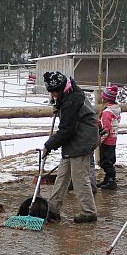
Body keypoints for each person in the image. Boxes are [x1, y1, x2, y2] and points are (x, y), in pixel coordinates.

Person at [43, 71, 99, 223]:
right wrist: (58, 106)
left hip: (82, 140)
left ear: (61, 88)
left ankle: (88, 212)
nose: (52, 95)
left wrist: (49, 145)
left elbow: (67, 130)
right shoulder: (69, 91)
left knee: (79, 177)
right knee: (63, 175)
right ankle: (53, 208)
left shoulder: (72, 101)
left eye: (54, 92)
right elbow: (66, 111)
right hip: (75, 139)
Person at [96, 84, 121, 190]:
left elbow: (106, 129)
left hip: (107, 140)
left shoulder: (107, 112)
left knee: (105, 162)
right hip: (113, 139)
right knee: (110, 160)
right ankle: (107, 179)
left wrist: (99, 141)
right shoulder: (116, 109)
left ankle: (111, 180)